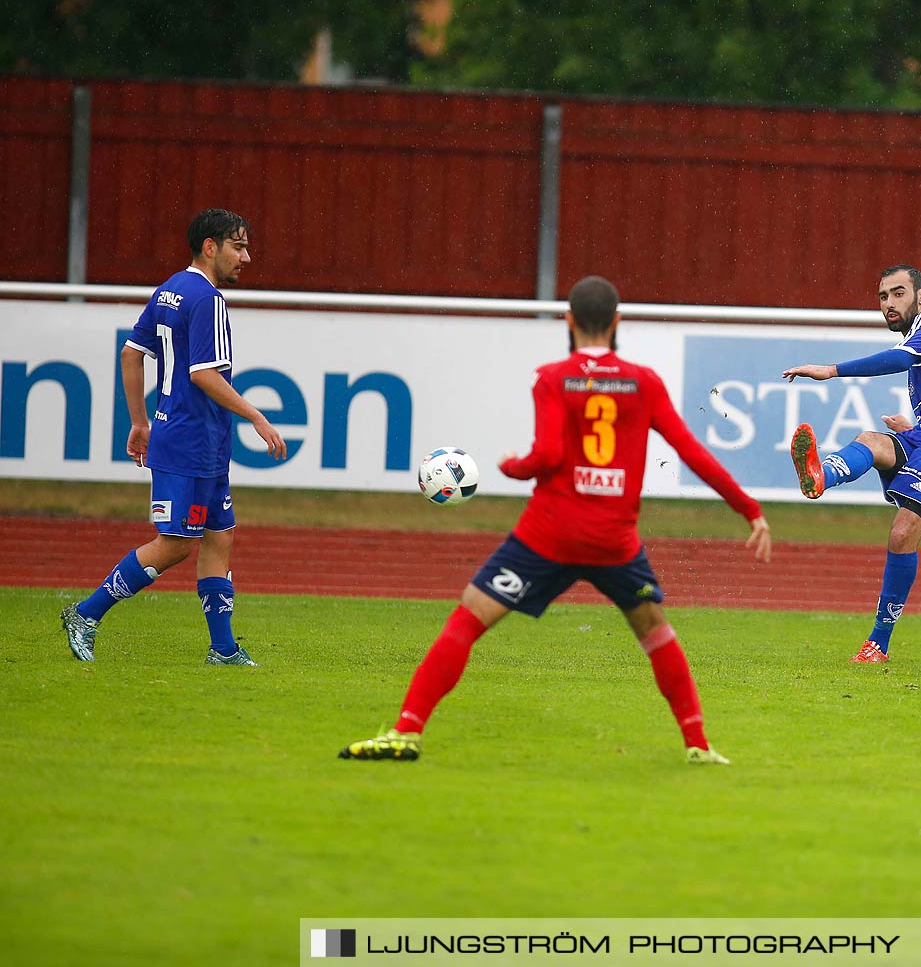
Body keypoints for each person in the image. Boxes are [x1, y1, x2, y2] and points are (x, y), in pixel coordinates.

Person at [340, 275, 772, 765]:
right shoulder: (644, 381)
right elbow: (691, 452)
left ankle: (406, 732)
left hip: (549, 534)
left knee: (469, 617)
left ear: (568, 321)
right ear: (617, 322)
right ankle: (697, 744)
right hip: (614, 541)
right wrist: (749, 509)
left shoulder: (551, 376)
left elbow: (545, 455)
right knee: (655, 631)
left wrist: (511, 466)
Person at [60, 209, 289, 666]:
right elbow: (204, 373)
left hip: (196, 438)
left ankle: (222, 649)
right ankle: (86, 614)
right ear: (210, 246)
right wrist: (256, 416)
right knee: (178, 543)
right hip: (190, 441)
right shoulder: (208, 299)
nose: (247, 256)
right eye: (238, 246)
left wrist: (140, 421)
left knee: (220, 537)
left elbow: (131, 354)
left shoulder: (170, 290)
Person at [782, 264, 921, 662]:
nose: (890, 303)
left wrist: (832, 370)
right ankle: (820, 475)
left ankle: (877, 643)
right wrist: (917, 426)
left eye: (899, 293)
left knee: (902, 534)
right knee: (872, 441)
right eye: (883, 297)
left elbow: (896, 359)